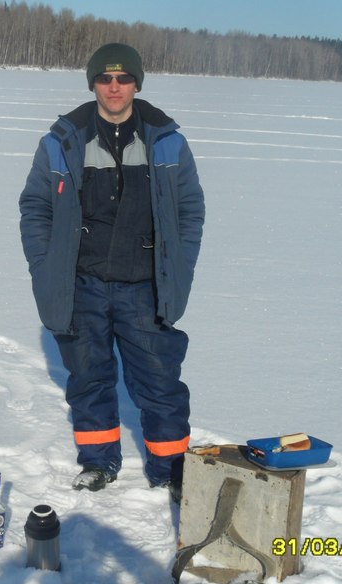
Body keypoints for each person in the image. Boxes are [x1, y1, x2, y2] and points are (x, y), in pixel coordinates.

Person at [18, 43, 205, 500]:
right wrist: (45, 267)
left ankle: (171, 468)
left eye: (123, 79)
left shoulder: (166, 140)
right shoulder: (64, 140)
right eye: (105, 78)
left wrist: (179, 265)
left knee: (160, 379)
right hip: (81, 283)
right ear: (93, 84)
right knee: (88, 377)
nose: (115, 87)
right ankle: (98, 462)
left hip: (144, 285)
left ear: (137, 83)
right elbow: (36, 208)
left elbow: (189, 211)